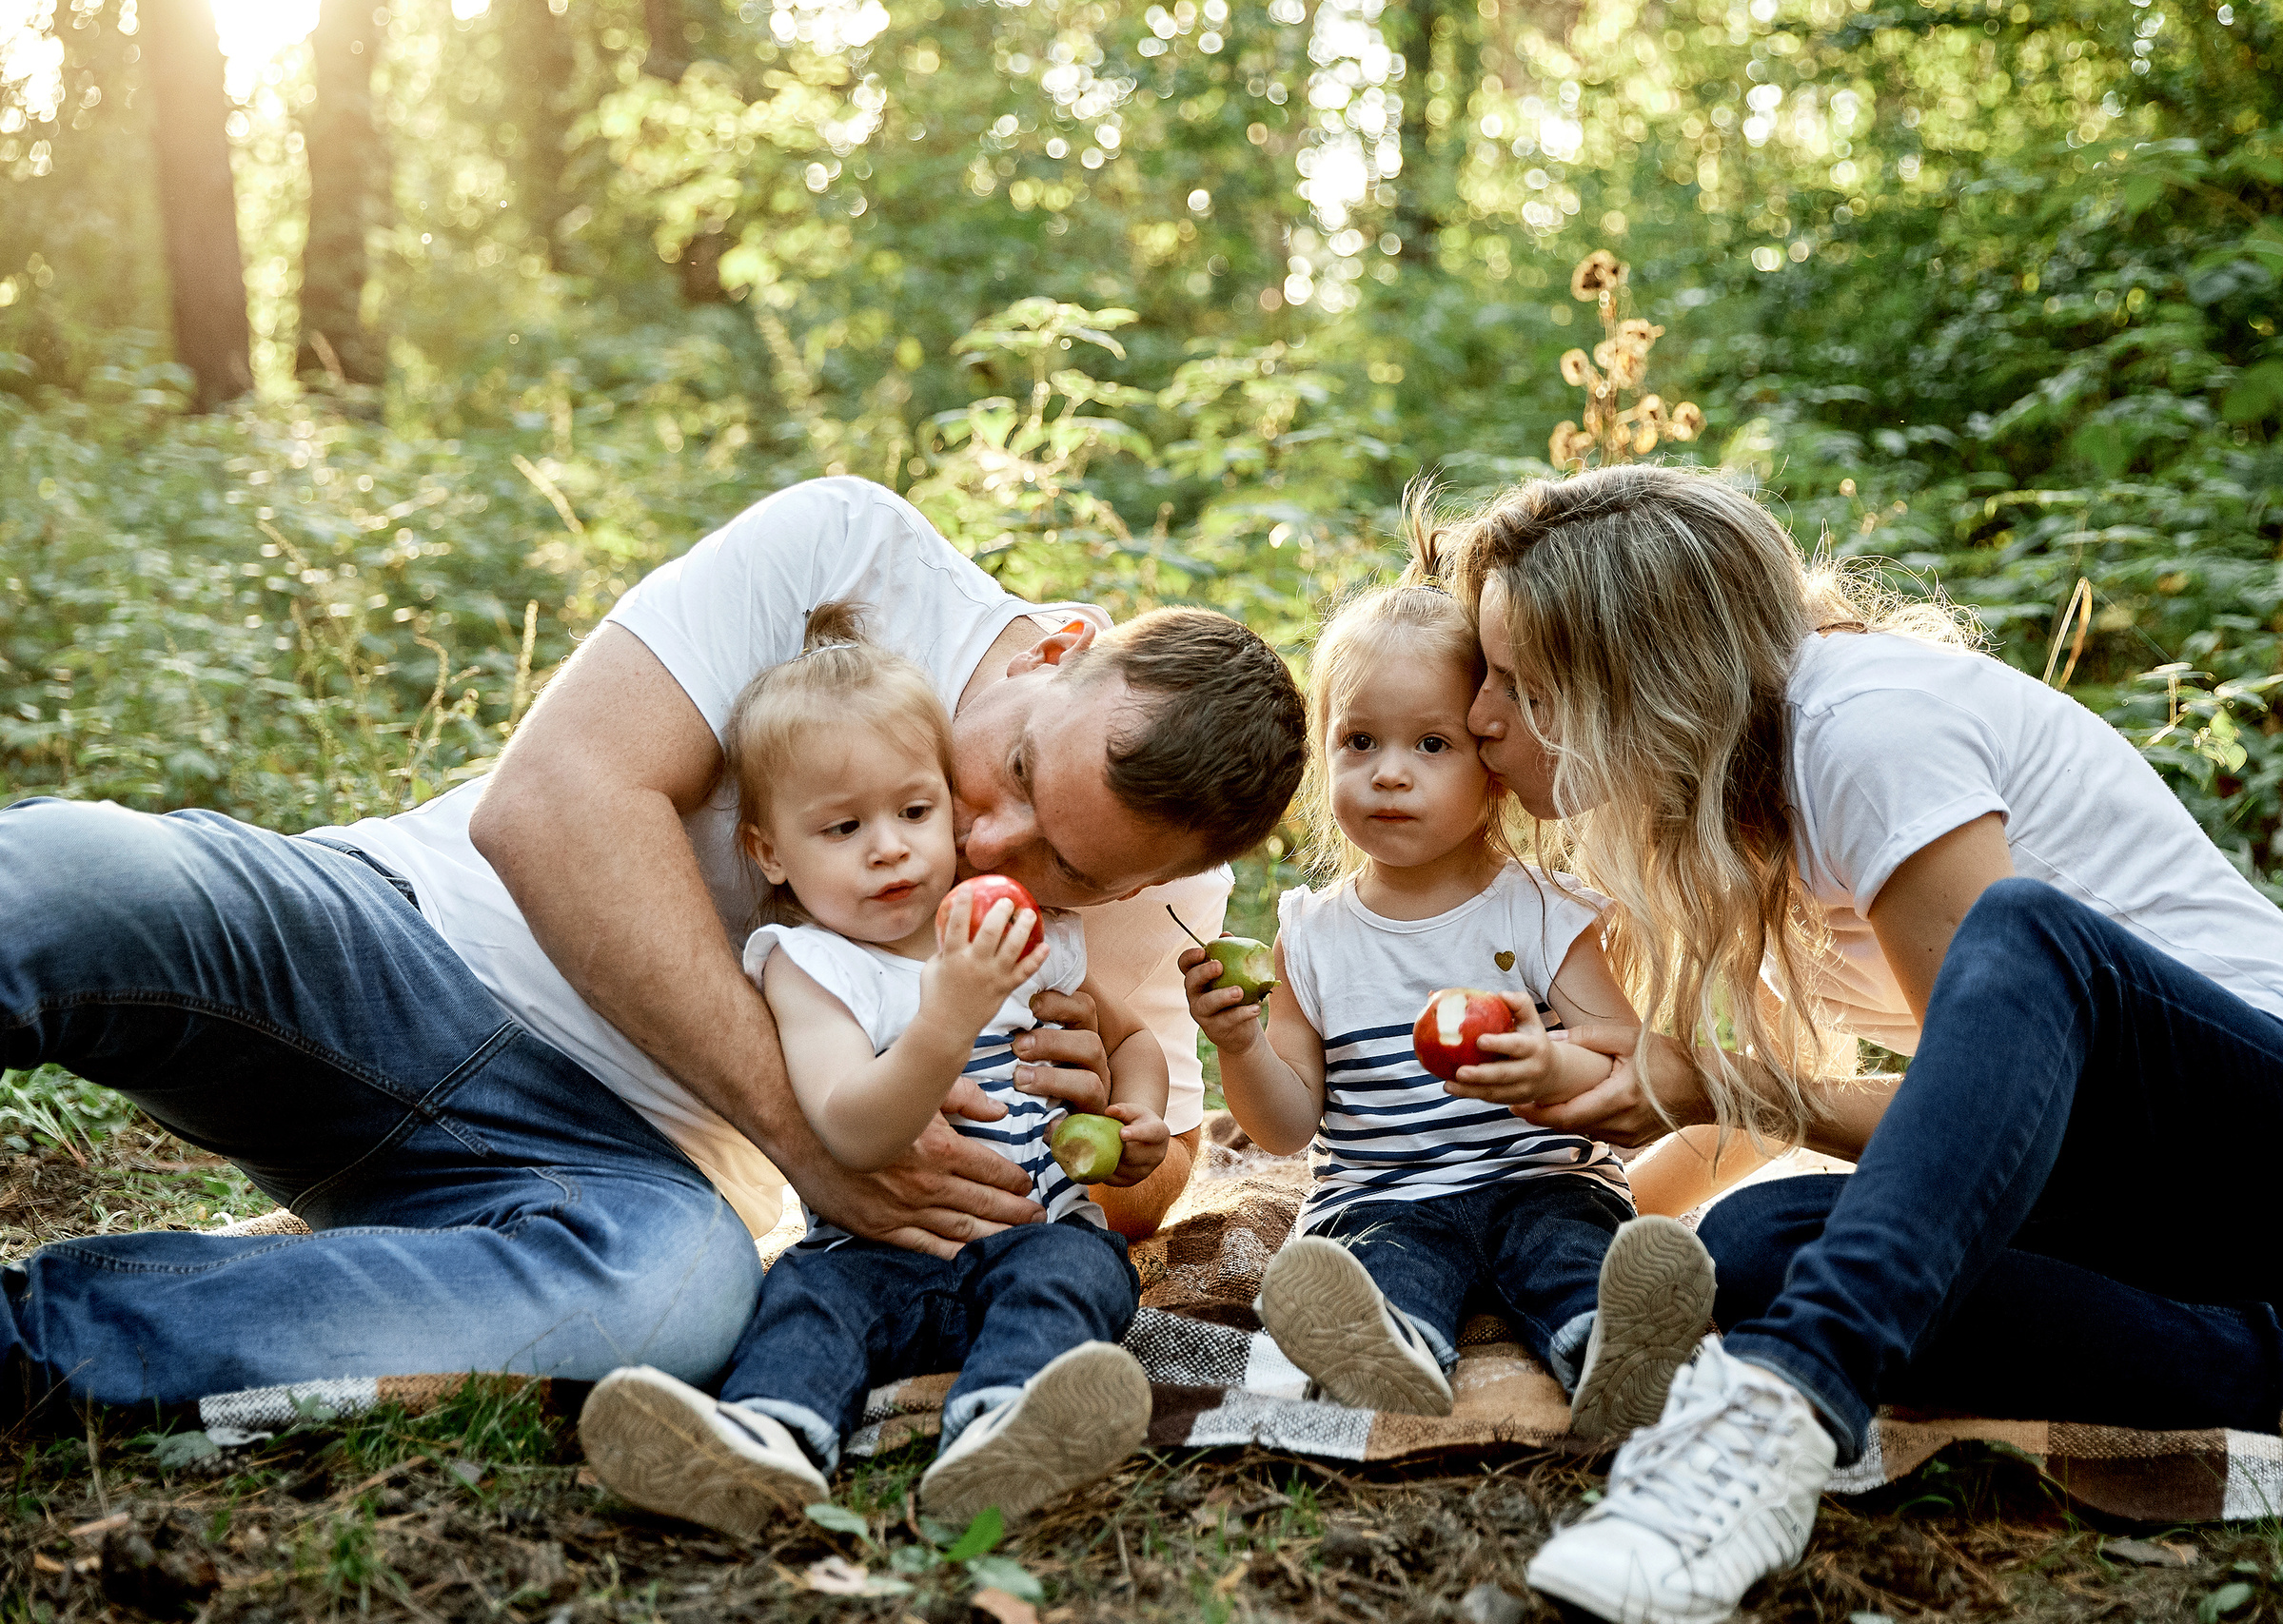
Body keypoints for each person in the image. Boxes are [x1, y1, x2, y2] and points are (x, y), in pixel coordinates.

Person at [0, 477, 1305, 1410]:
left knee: (676, 1302)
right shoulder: (850, 558)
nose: (988, 834)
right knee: (73, 876)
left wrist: (1118, 1137)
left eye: (1065, 869)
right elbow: (552, 802)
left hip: (623, 1172)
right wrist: (809, 1142)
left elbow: (1156, 1168)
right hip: (390, 940)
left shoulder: (1163, 878)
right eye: (1015, 768)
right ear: (1061, 649)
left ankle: (32, 1340)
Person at [1422, 462, 2283, 1624]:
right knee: (1744, 1250)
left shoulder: (1863, 727)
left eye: (1515, 679)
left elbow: (1979, 1095)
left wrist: (1717, 1086)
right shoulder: (1715, 808)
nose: (1481, 714)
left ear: (1635, 678)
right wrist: (1575, 1240)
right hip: (2139, 1205)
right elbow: (1954, 1137)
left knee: (2031, 931)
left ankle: (1779, 1415)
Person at [578, 606, 1170, 1537]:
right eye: (843, 826)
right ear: (772, 853)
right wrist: (949, 1015)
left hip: (1031, 1231)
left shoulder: (1022, 928)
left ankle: (1004, 1432)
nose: (888, 846)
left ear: (950, 806)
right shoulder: (810, 967)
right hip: (872, 1257)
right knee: (801, 1301)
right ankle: (768, 1442)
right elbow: (850, 1127)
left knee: (1081, 1268)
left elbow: (1132, 1042)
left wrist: (1139, 1117)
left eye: (914, 811)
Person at [1181, 576, 1716, 1441]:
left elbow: (1632, 1072)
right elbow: (1285, 1129)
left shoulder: (1545, 911)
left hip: (1545, 1180)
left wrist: (1550, 1063)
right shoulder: (1311, 935)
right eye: (1360, 741)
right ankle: (1383, 1352)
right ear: (1327, 756)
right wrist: (1241, 1045)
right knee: (1380, 1266)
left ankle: (1621, 1350)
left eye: (1432, 743)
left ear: (1494, 770)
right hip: (1384, 1196)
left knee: (1577, 1252)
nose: (1390, 772)